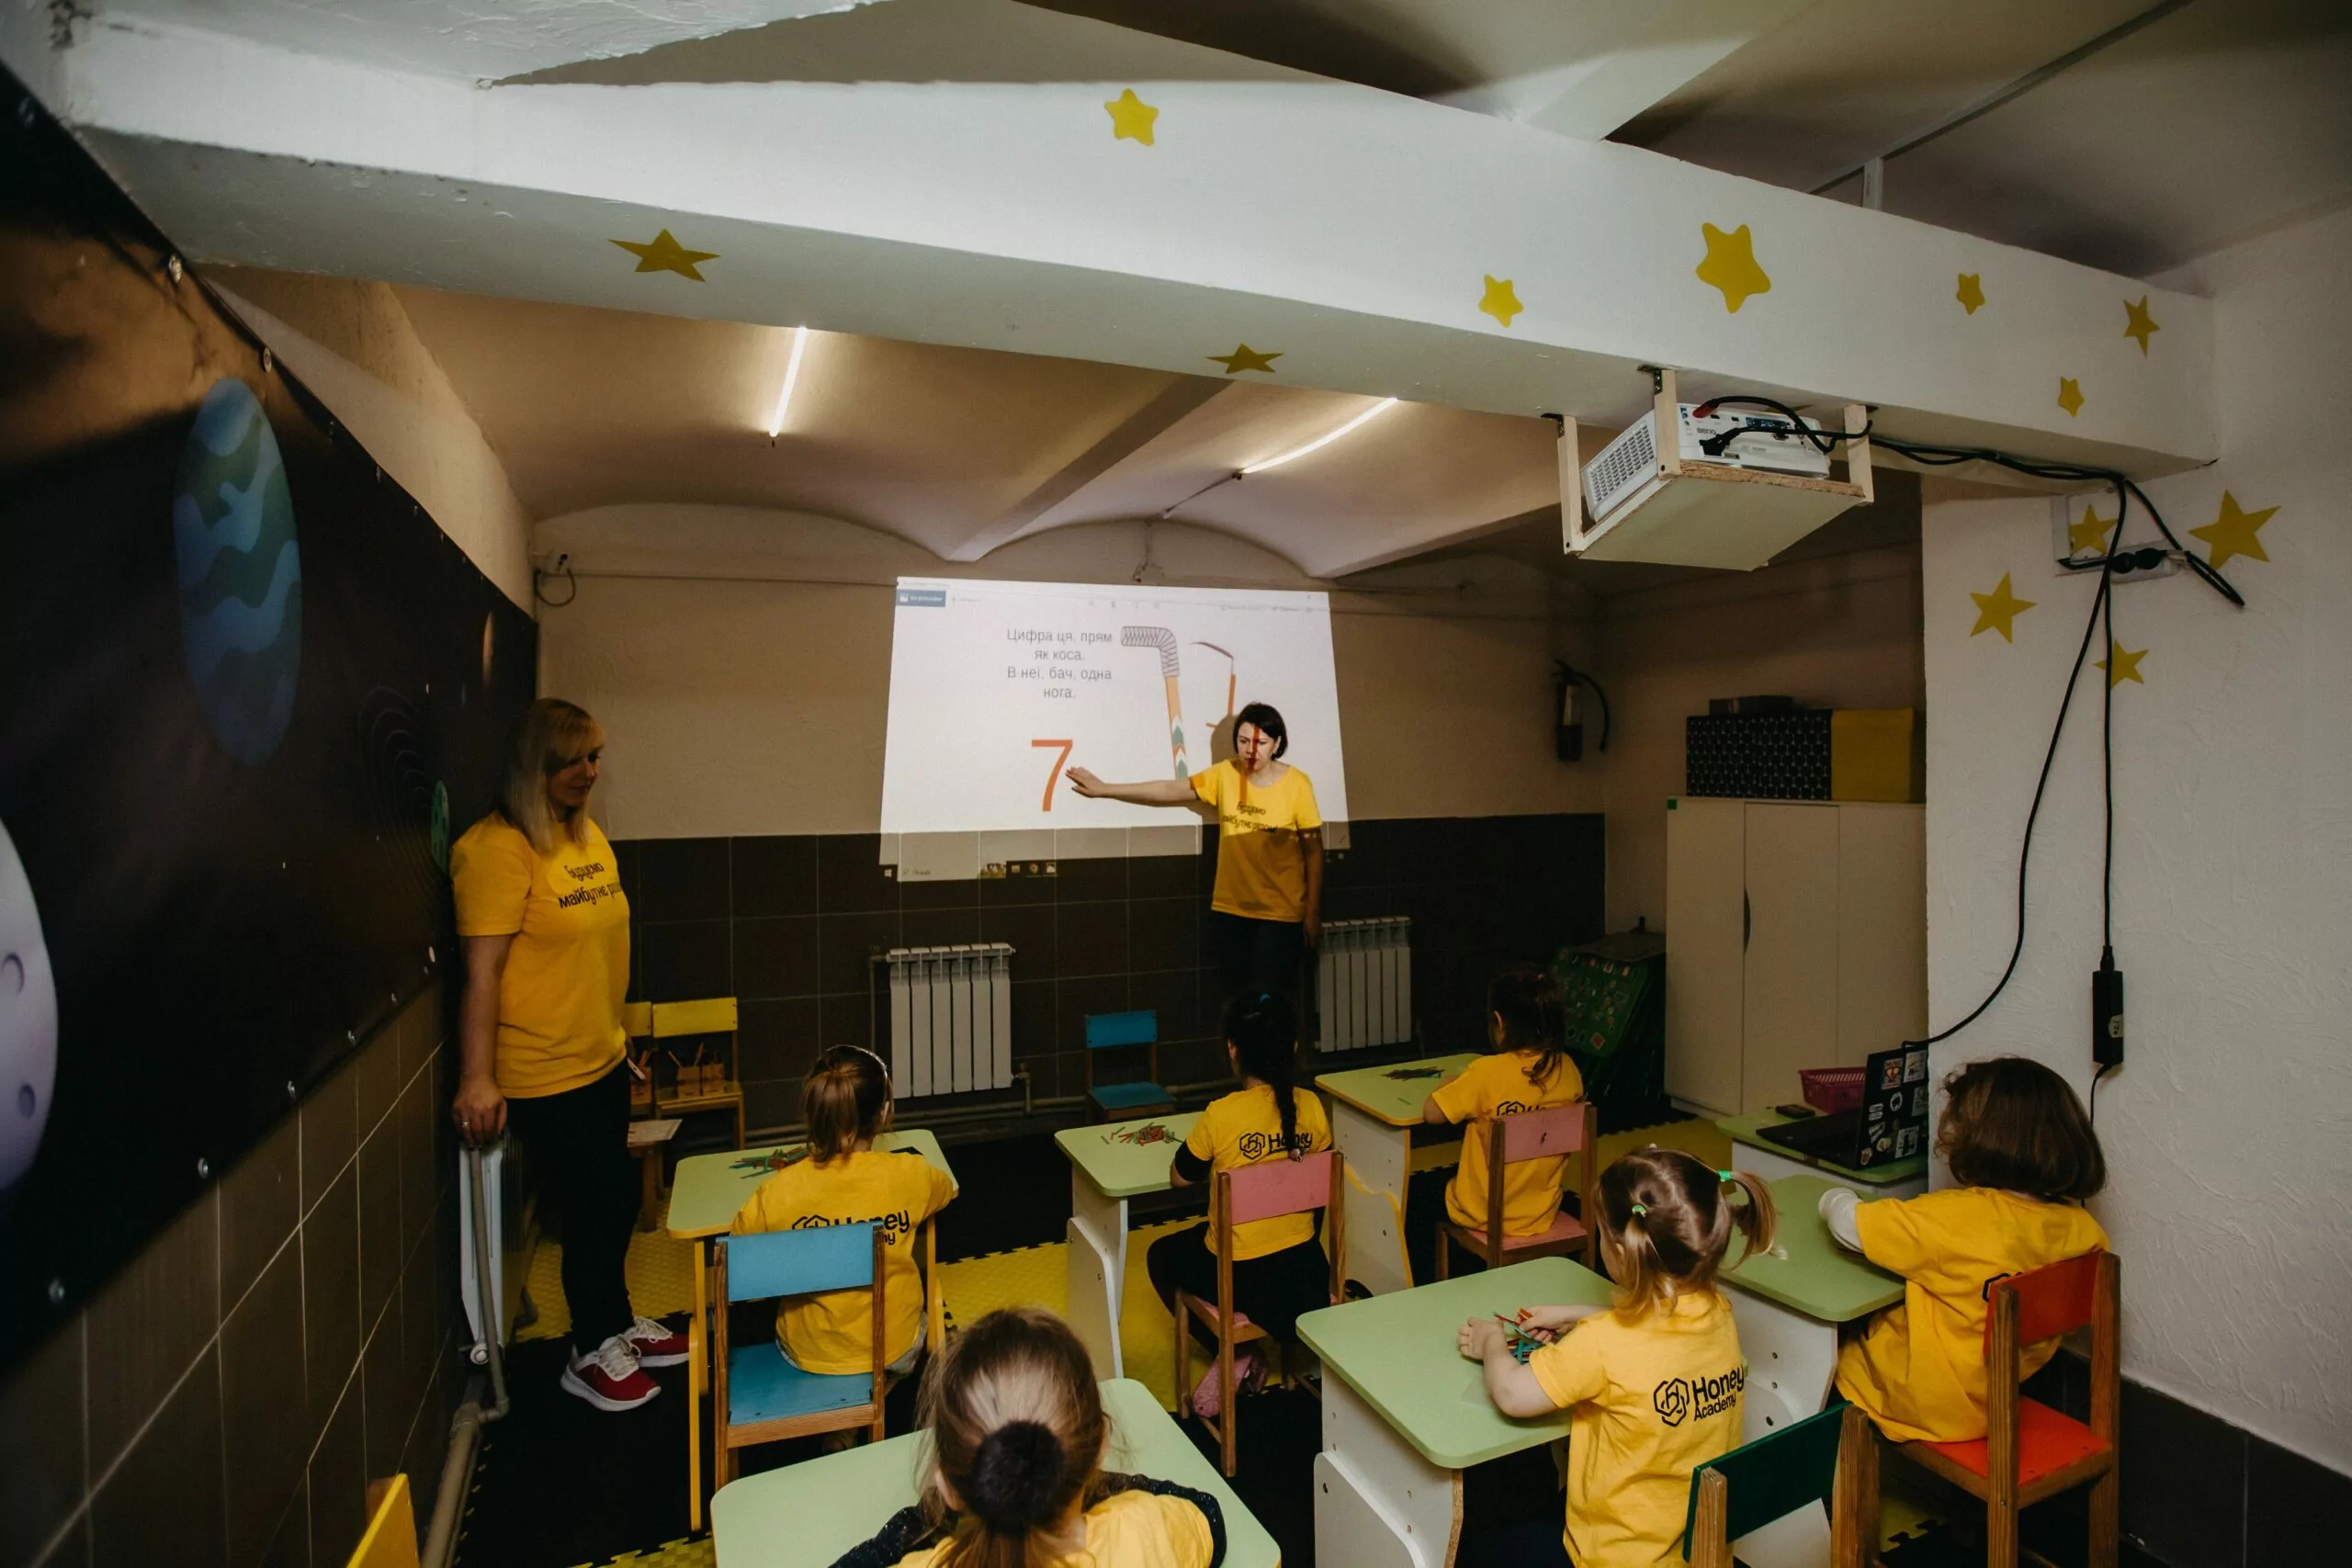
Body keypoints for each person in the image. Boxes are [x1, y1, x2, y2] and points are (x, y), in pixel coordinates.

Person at [450, 697, 684, 1412]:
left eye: (594, 758)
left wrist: (617, 1038)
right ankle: (588, 1350)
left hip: (600, 1059)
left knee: (612, 1203)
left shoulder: (583, 839)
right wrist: (477, 1077)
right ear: (536, 766)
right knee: (590, 1209)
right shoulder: (496, 849)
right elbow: (482, 972)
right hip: (544, 1074)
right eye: (573, 761)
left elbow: (598, 952)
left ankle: (614, 1322)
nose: (589, 771)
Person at [1455, 1147, 1778, 1568]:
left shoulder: (1604, 1345)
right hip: (1698, 1549)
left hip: (1612, 1556)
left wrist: (1492, 1342)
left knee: (1475, 1547)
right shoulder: (1719, 1313)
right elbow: (1658, 1331)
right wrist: (1578, 1314)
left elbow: (1513, 1394)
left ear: (1622, 1254)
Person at [1822, 1055, 2109, 1444]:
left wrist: (1834, 1196)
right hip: (1997, 1397)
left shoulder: (1954, 1220)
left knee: (1833, 1349)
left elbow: (1848, 1225)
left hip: (1926, 1401)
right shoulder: (2084, 1230)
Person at [830, 1307, 1227, 1568]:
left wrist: (911, 1525)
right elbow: (1205, 1511)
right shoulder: (1142, 1531)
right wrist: (1105, 1483)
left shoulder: (930, 1562)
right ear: (1099, 1443)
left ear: (947, 1486)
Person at [1143, 991, 1332, 1416]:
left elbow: (1178, 1176)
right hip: (1305, 1272)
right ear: (1294, 1049)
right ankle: (1245, 1352)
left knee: (1160, 1255)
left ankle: (1230, 1349)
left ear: (1232, 1050)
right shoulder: (1315, 1107)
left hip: (1242, 1275)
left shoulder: (1221, 1114)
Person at [731, 1044, 958, 1387]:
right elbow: (947, 1191)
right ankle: (877, 1392)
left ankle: (847, 1402)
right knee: (922, 1324)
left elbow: (738, 1252)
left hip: (809, 1352)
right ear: (883, 1113)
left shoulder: (780, 1189)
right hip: (891, 1346)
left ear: (815, 1113)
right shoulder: (912, 1173)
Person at [1069, 701, 1322, 1001]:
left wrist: (1312, 912)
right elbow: (1168, 790)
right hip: (1231, 911)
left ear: (1277, 744)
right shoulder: (1225, 774)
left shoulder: (1297, 785)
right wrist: (1106, 789)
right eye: (1243, 742)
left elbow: (1314, 852)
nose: (1251, 751)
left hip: (1280, 915)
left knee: (1271, 1002)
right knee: (1238, 1001)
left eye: (1261, 743)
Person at [1422, 964, 1587, 1241]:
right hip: (1540, 1211)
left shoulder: (1487, 1072)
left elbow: (1431, 1114)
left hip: (1483, 1213)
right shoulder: (1568, 1069)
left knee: (1418, 1194)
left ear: (1498, 1022)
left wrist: (1444, 1086)